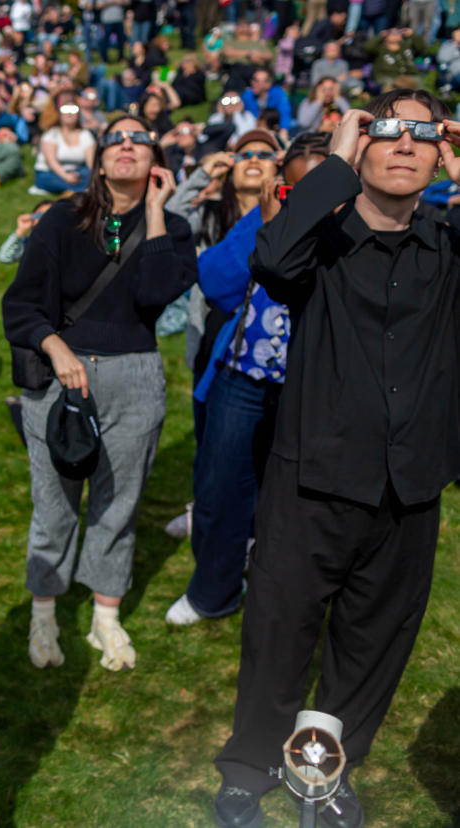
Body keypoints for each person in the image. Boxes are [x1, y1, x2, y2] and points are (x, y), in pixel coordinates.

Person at [212, 90, 460, 828]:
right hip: (312, 476)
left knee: (373, 644)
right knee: (279, 635)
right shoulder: (319, 241)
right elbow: (270, 258)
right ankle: (249, 766)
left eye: (425, 134)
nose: (407, 145)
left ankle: (322, 769)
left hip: (409, 485)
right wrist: (339, 159)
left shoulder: (447, 244)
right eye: (388, 131)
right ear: (361, 146)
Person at [1, 116, 197, 672]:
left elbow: (156, 296)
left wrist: (156, 212)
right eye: (116, 139)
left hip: (134, 375)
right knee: (54, 505)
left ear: (156, 159)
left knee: (119, 502)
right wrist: (57, 349)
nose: (127, 146)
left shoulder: (174, 230)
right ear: (100, 158)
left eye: (139, 139)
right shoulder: (63, 219)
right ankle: (44, 613)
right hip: (60, 378)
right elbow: (21, 306)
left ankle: (104, 617)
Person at [166, 132, 331, 629]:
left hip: (313, 381)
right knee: (220, 487)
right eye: (293, 188)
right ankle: (213, 591)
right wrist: (264, 221)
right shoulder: (263, 217)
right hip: (242, 371)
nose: (305, 200)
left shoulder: (352, 228)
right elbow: (214, 281)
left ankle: (280, 593)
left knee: (296, 497)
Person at [29, 95, 96, 195]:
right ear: (60, 114)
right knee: (50, 180)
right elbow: (51, 162)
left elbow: (91, 163)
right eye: (65, 110)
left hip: (76, 172)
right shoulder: (51, 134)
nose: (69, 113)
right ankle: (81, 190)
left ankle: (77, 189)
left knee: (89, 175)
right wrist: (66, 176)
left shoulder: (85, 135)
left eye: (73, 110)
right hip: (51, 173)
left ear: (78, 114)